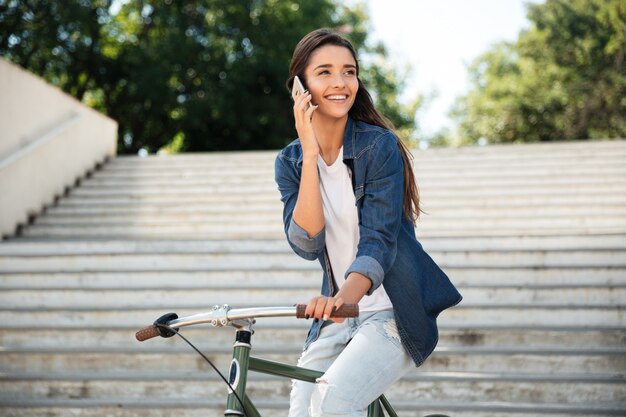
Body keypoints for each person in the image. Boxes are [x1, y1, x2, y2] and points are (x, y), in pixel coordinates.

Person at [274, 28, 462, 417]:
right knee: (301, 408)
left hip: (393, 308)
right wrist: (310, 154)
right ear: (300, 86)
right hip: (339, 314)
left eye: (349, 71)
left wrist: (343, 300)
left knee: (334, 402)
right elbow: (307, 243)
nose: (340, 83)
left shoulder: (379, 147)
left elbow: (378, 240)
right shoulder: (289, 161)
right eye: (324, 72)